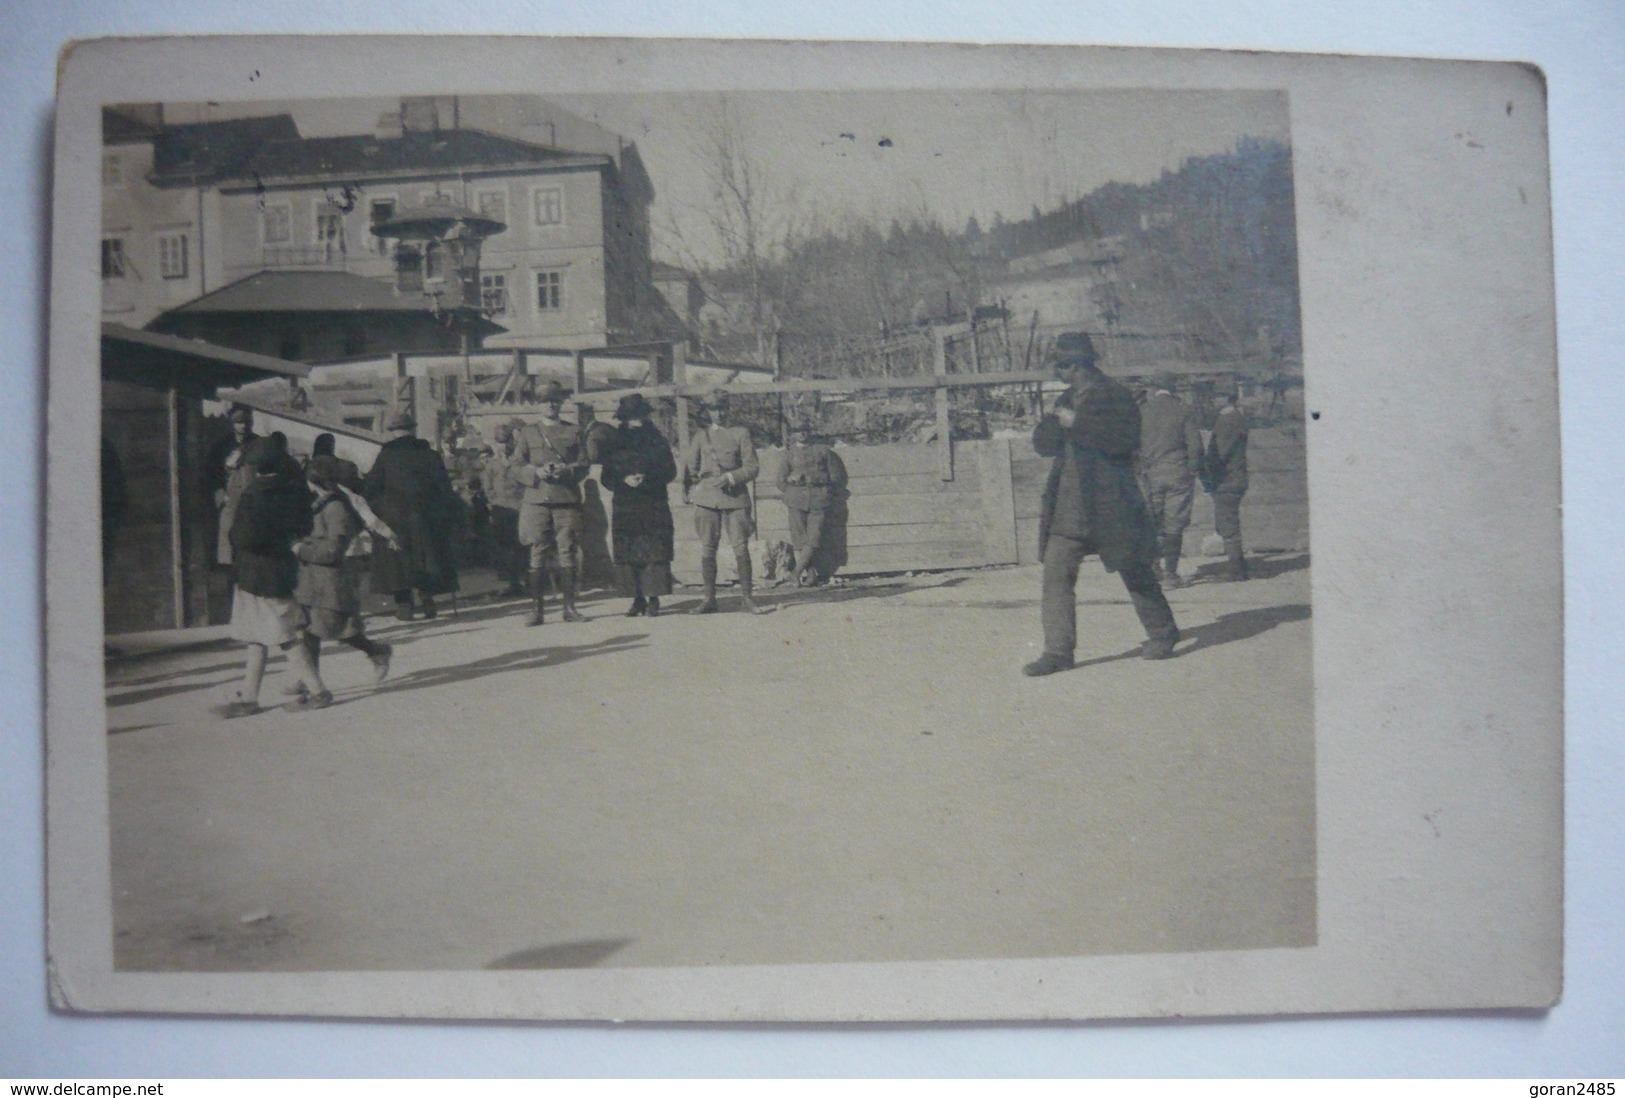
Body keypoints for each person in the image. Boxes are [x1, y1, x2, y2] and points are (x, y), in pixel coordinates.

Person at [1024, 332, 1180, 677]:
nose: (1056, 371)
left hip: (1111, 505)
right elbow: (1044, 445)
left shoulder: (1116, 396)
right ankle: (1057, 651)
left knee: (1136, 571)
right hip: (1068, 508)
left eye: (1060, 365)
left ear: (1077, 364)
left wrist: (1076, 424)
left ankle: (1163, 633)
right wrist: (1053, 423)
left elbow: (1123, 441)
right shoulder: (1065, 398)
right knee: (1056, 576)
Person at [212, 438, 318, 717]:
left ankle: (319, 691)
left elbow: (244, 537)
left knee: (284, 637)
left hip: (256, 575)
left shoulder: (253, 494)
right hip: (281, 570)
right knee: (257, 636)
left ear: (255, 467)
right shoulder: (293, 491)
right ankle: (249, 696)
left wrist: (234, 533)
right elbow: (303, 525)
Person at [282, 455, 393, 711]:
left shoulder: (336, 509)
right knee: (310, 633)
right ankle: (312, 686)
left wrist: (301, 549)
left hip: (330, 583)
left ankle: (377, 651)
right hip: (312, 582)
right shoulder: (321, 504)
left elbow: (333, 550)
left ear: (318, 482)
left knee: (340, 631)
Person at [362, 410, 463, 621]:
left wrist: (381, 508)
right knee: (427, 558)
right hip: (426, 517)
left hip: (396, 518)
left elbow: (370, 488)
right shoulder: (430, 455)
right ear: (413, 430)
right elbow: (445, 490)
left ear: (393, 431)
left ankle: (404, 606)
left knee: (399, 561)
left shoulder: (386, 456)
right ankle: (428, 601)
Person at [682, 390, 768, 615]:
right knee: (708, 547)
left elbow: (752, 467)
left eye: (721, 409)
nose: (718, 414)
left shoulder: (741, 433)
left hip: (735, 498)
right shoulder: (701, 436)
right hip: (707, 499)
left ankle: (747, 598)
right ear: (707, 412)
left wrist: (730, 477)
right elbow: (691, 467)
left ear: (728, 409)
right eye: (713, 410)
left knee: (740, 546)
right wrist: (693, 488)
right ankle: (709, 599)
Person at [514, 381, 590, 625]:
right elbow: (515, 465)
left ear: (561, 403)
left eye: (555, 400)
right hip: (537, 501)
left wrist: (566, 470)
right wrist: (536, 472)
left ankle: (570, 608)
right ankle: (537, 611)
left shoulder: (574, 431)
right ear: (539, 404)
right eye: (546, 401)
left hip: (565, 500)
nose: (551, 405)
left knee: (567, 551)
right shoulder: (528, 432)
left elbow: (584, 464)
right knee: (537, 552)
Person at [600, 393, 678, 616]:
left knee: (654, 550)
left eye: (640, 415)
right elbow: (606, 477)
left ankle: (654, 598)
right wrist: (623, 480)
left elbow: (670, 471)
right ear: (624, 418)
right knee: (629, 551)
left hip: (653, 502)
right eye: (632, 416)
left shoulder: (657, 440)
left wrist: (648, 478)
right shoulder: (614, 443)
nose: (637, 419)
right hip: (626, 504)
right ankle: (637, 599)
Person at [1138, 373, 1204, 588]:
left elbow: (1134, 445)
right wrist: (1192, 469)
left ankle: (1154, 569)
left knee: (1153, 521)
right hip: (1177, 472)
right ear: (1173, 387)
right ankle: (1171, 575)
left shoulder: (1143, 411)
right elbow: (1195, 445)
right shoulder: (1183, 410)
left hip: (1151, 474)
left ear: (1154, 388)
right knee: (1174, 524)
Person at [776, 418, 849, 586]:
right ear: (792, 435)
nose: (802, 434)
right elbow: (780, 482)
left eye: (805, 430)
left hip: (819, 500)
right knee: (800, 539)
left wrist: (814, 479)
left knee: (814, 538)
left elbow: (837, 478)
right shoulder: (789, 454)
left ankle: (795, 573)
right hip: (796, 501)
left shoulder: (823, 451)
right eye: (797, 431)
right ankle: (811, 574)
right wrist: (792, 485)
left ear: (810, 432)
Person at [1203, 380, 1251, 581]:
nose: (1213, 399)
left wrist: (1205, 472)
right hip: (1234, 477)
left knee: (1228, 524)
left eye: (1217, 396)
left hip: (1227, 479)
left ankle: (1236, 570)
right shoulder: (1235, 418)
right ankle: (1238, 565)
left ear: (1226, 398)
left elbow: (1220, 453)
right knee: (1227, 522)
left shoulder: (1228, 420)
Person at [208, 404, 259, 568]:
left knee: (252, 548)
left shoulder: (259, 444)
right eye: (239, 422)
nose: (243, 426)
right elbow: (211, 474)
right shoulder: (222, 447)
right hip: (230, 504)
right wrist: (221, 497)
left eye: (246, 422)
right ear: (232, 423)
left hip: (253, 503)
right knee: (229, 551)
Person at [481, 421, 527, 598]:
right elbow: (488, 488)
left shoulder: (519, 461)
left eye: (506, 441)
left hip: (520, 507)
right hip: (501, 510)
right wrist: (493, 504)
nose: (503, 446)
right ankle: (512, 583)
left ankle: (527, 581)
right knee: (505, 547)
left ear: (511, 442)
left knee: (522, 545)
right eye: (499, 443)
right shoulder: (491, 465)